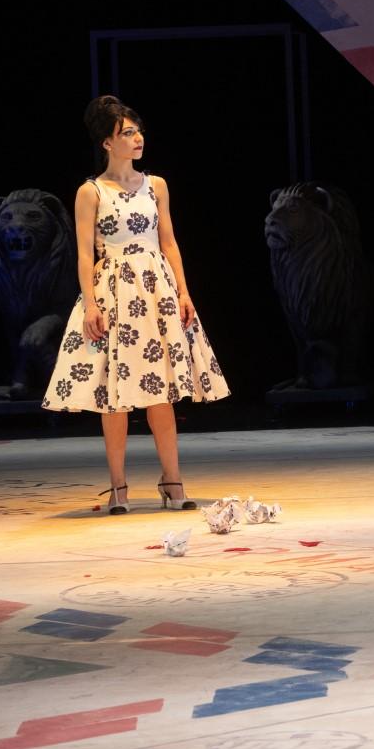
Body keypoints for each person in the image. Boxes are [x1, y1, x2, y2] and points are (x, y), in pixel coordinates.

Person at [43, 97, 229, 513]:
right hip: (113, 292)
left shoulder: (156, 185)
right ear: (107, 143)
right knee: (115, 394)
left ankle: (172, 480)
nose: (137, 138)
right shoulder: (91, 191)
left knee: (162, 391)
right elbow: (84, 254)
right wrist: (91, 304)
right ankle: (118, 486)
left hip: (155, 290)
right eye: (127, 132)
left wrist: (183, 291)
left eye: (137, 130)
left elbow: (169, 242)